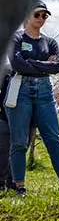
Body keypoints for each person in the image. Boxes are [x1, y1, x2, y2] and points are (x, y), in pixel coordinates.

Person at [4, 2, 59, 196]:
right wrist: (43, 64)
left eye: (45, 16)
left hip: (45, 90)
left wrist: (32, 62)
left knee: (53, 138)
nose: (41, 19)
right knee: (20, 140)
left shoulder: (50, 42)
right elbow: (17, 64)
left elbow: (56, 68)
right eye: (37, 14)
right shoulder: (17, 37)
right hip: (21, 88)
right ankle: (19, 185)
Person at [0, 63, 14, 192]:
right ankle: (1, 182)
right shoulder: (6, 70)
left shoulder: (37, 73)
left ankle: (13, 182)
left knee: (19, 149)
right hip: (4, 116)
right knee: (3, 150)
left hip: (27, 119)